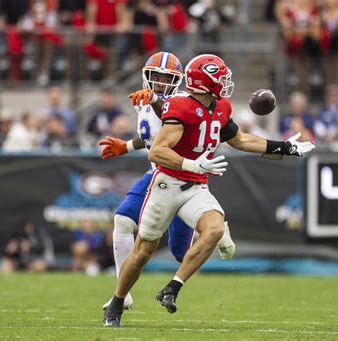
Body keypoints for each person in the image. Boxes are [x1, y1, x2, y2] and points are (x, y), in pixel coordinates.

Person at [102, 54, 314, 327]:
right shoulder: (180, 106)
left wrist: (284, 147)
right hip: (166, 183)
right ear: (204, 83)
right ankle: (118, 302)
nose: (226, 83)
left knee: (212, 229)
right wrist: (193, 162)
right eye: (221, 78)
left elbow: (240, 140)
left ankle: (172, 287)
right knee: (143, 251)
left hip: (196, 186)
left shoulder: (221, 106)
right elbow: (157, 151)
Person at [99, 52, 236, 311]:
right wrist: (126, 146)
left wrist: (155, 100)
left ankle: (217, 229)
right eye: (156, 77)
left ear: (179, 80)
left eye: (166, 78)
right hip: (159, 175)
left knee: (181, 254)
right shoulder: (145, 100)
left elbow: (172, 118)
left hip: (184, 176)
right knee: (123, 220)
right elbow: (152, 137)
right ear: (146, 76)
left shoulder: (183, 101)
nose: (160, 82)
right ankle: (122, 292)